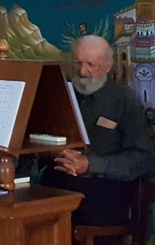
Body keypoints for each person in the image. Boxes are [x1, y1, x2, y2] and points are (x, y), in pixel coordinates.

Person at [40, 35, 155, 228]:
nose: (82, 71)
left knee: (52, 218)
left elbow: (143, 158)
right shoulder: (60, 94)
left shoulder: (124, 101)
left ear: (108, 67)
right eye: (78, 63)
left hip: (102, 193)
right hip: (55, 185)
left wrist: (90, 164)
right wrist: (52, 151)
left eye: (91, 65)